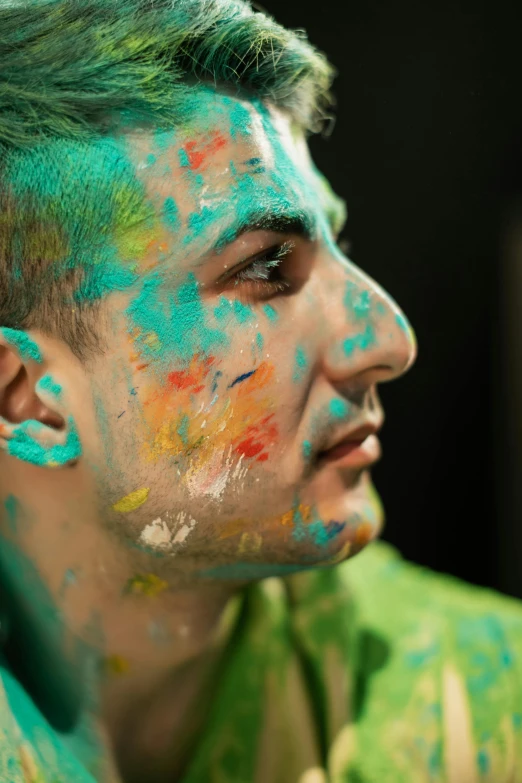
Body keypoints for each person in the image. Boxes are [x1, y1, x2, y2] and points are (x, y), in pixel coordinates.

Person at [0, 1, 521, 781]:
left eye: (336, 243)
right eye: (267, 267)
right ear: (29, 400)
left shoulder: (480, 711)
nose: (389, 339)